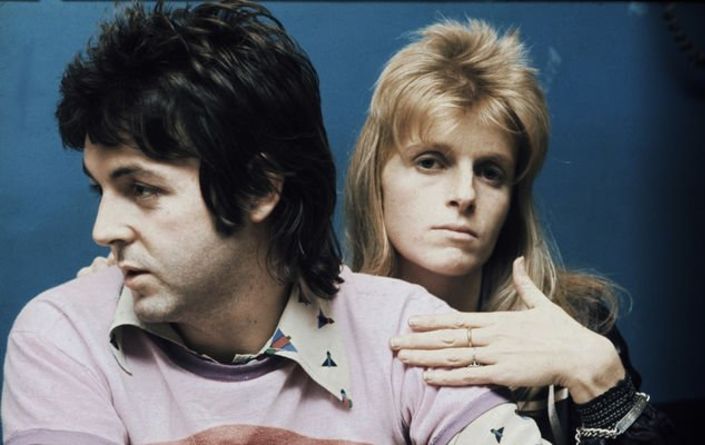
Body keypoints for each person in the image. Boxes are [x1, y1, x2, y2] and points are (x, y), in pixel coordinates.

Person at [0, 3, 551, 444]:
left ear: (260, 188)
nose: (104, 230)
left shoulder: (407, 331)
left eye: (142, 189)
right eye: (101, 189)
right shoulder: (65, 335)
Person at [344, 19, 675, 445]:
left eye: (490, 172)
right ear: (376, 178)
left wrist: (599, 378)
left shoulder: (576, 322)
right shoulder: (328, 323)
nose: (465, 195)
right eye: (430, 162)